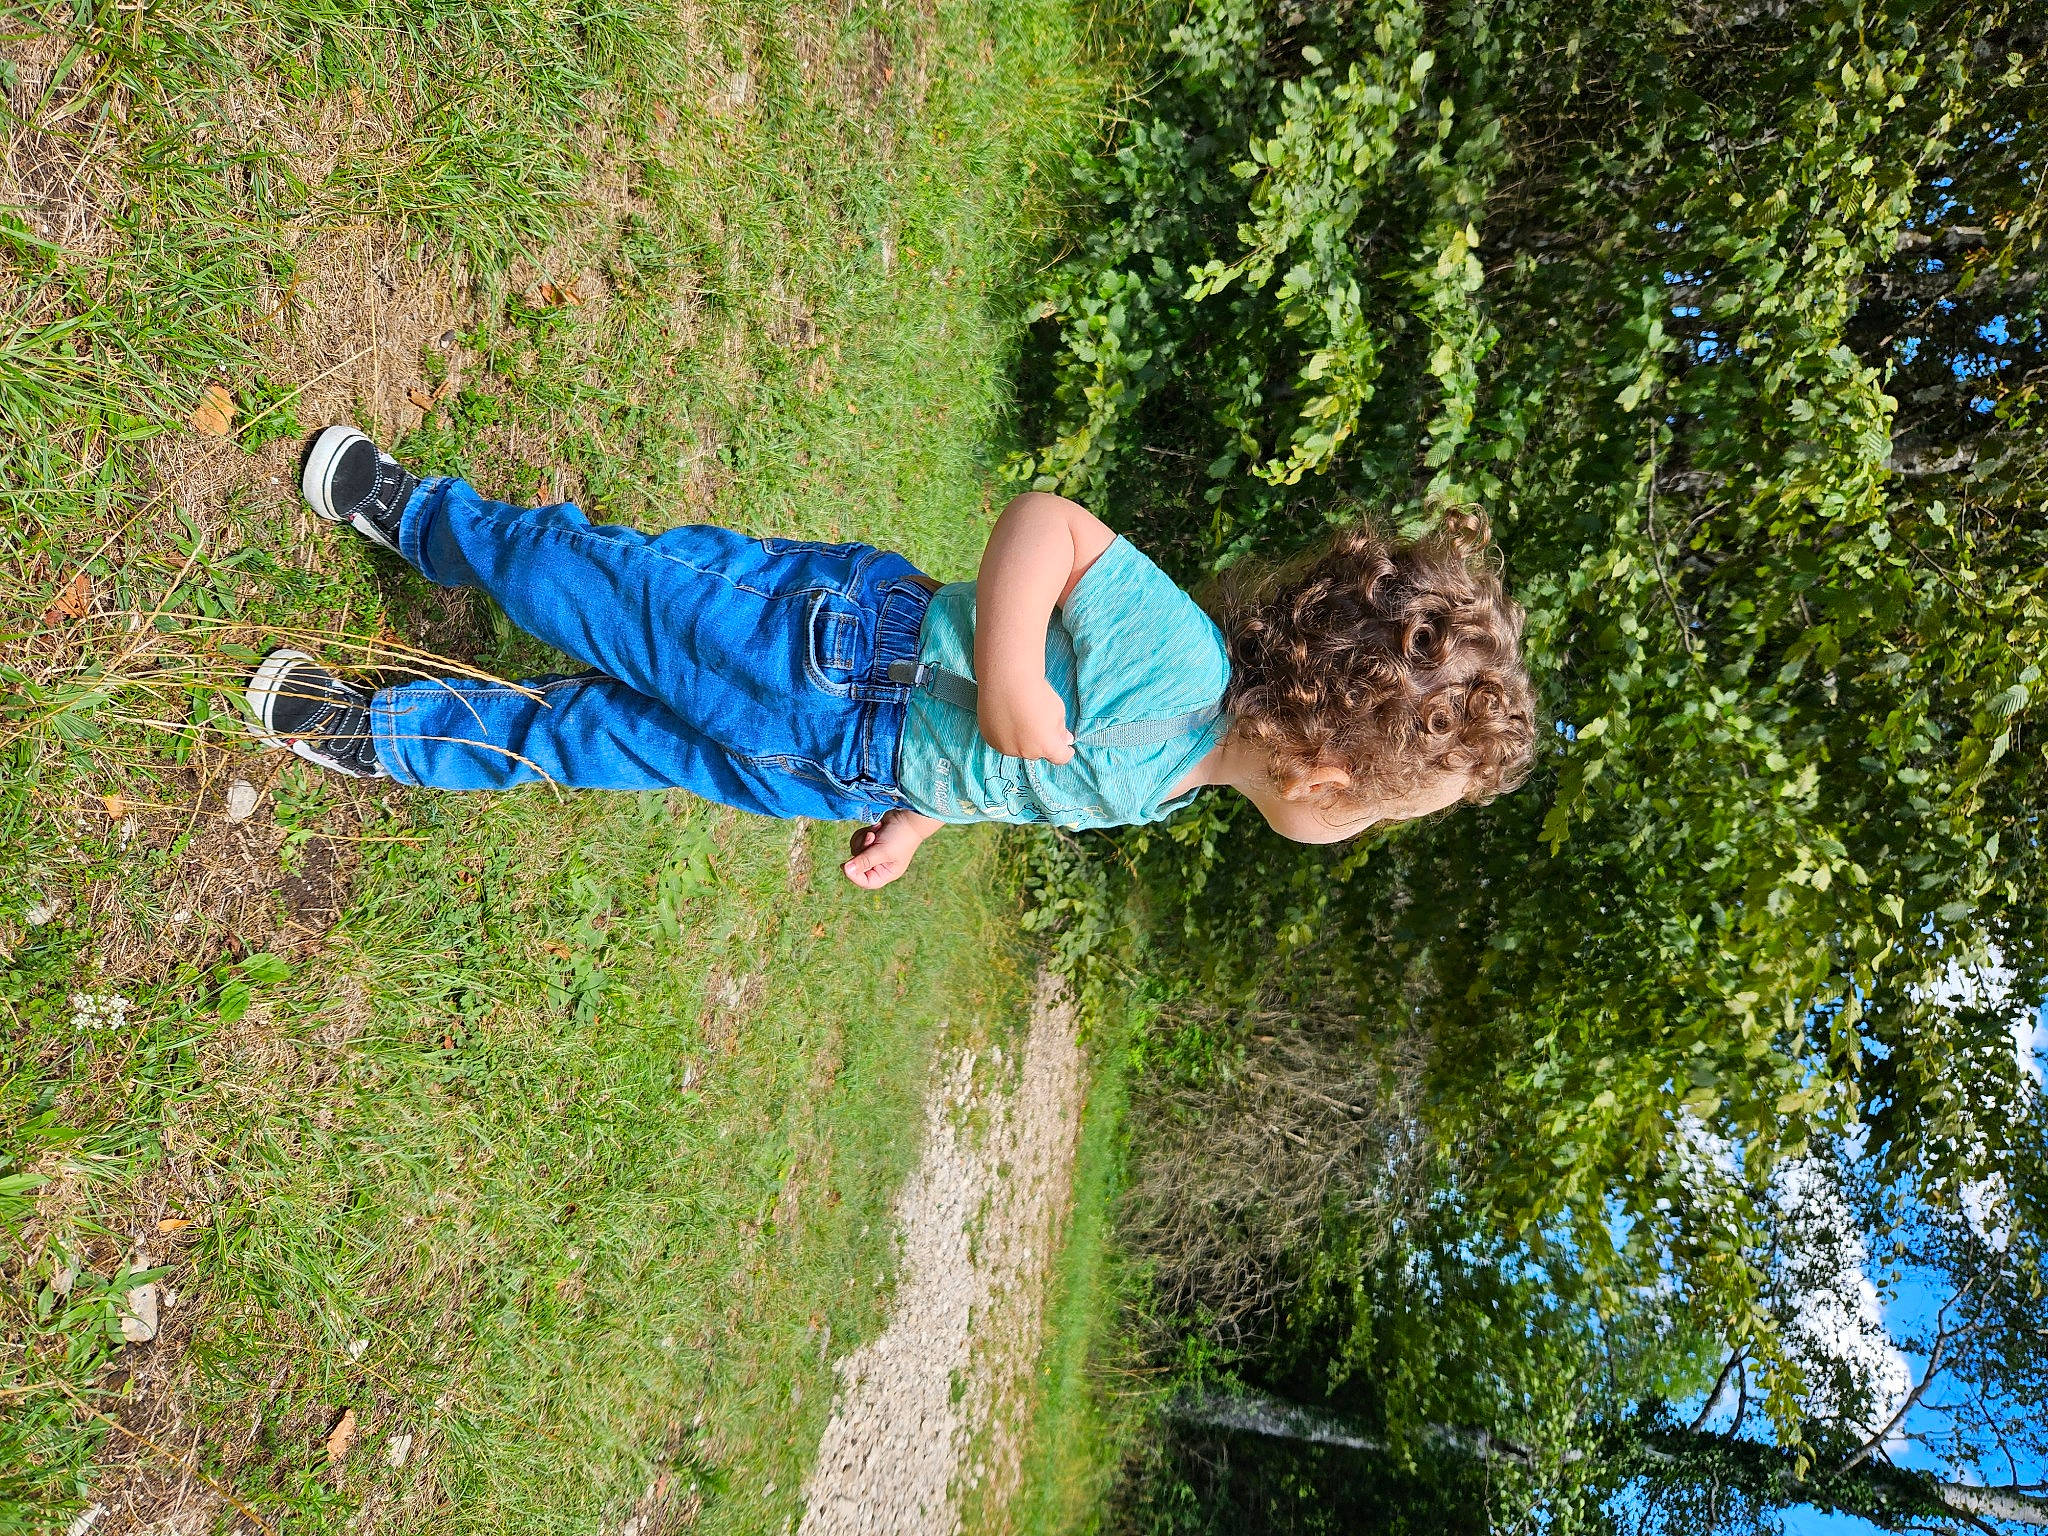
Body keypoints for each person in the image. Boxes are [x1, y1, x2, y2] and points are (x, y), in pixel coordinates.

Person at [249, 426, 1538, 889]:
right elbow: (1046, 528)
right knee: (595, 587)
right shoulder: (1182, 663)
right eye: (1383, 812)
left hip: (838, 769)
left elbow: (1010, 778)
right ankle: (423, 520)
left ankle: (391, 733)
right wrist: (1015, 670)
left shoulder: (1167, 782)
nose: (1362, 834)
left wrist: (920, 818)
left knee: (597, 740)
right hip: (832, 652)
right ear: (1324, 764)